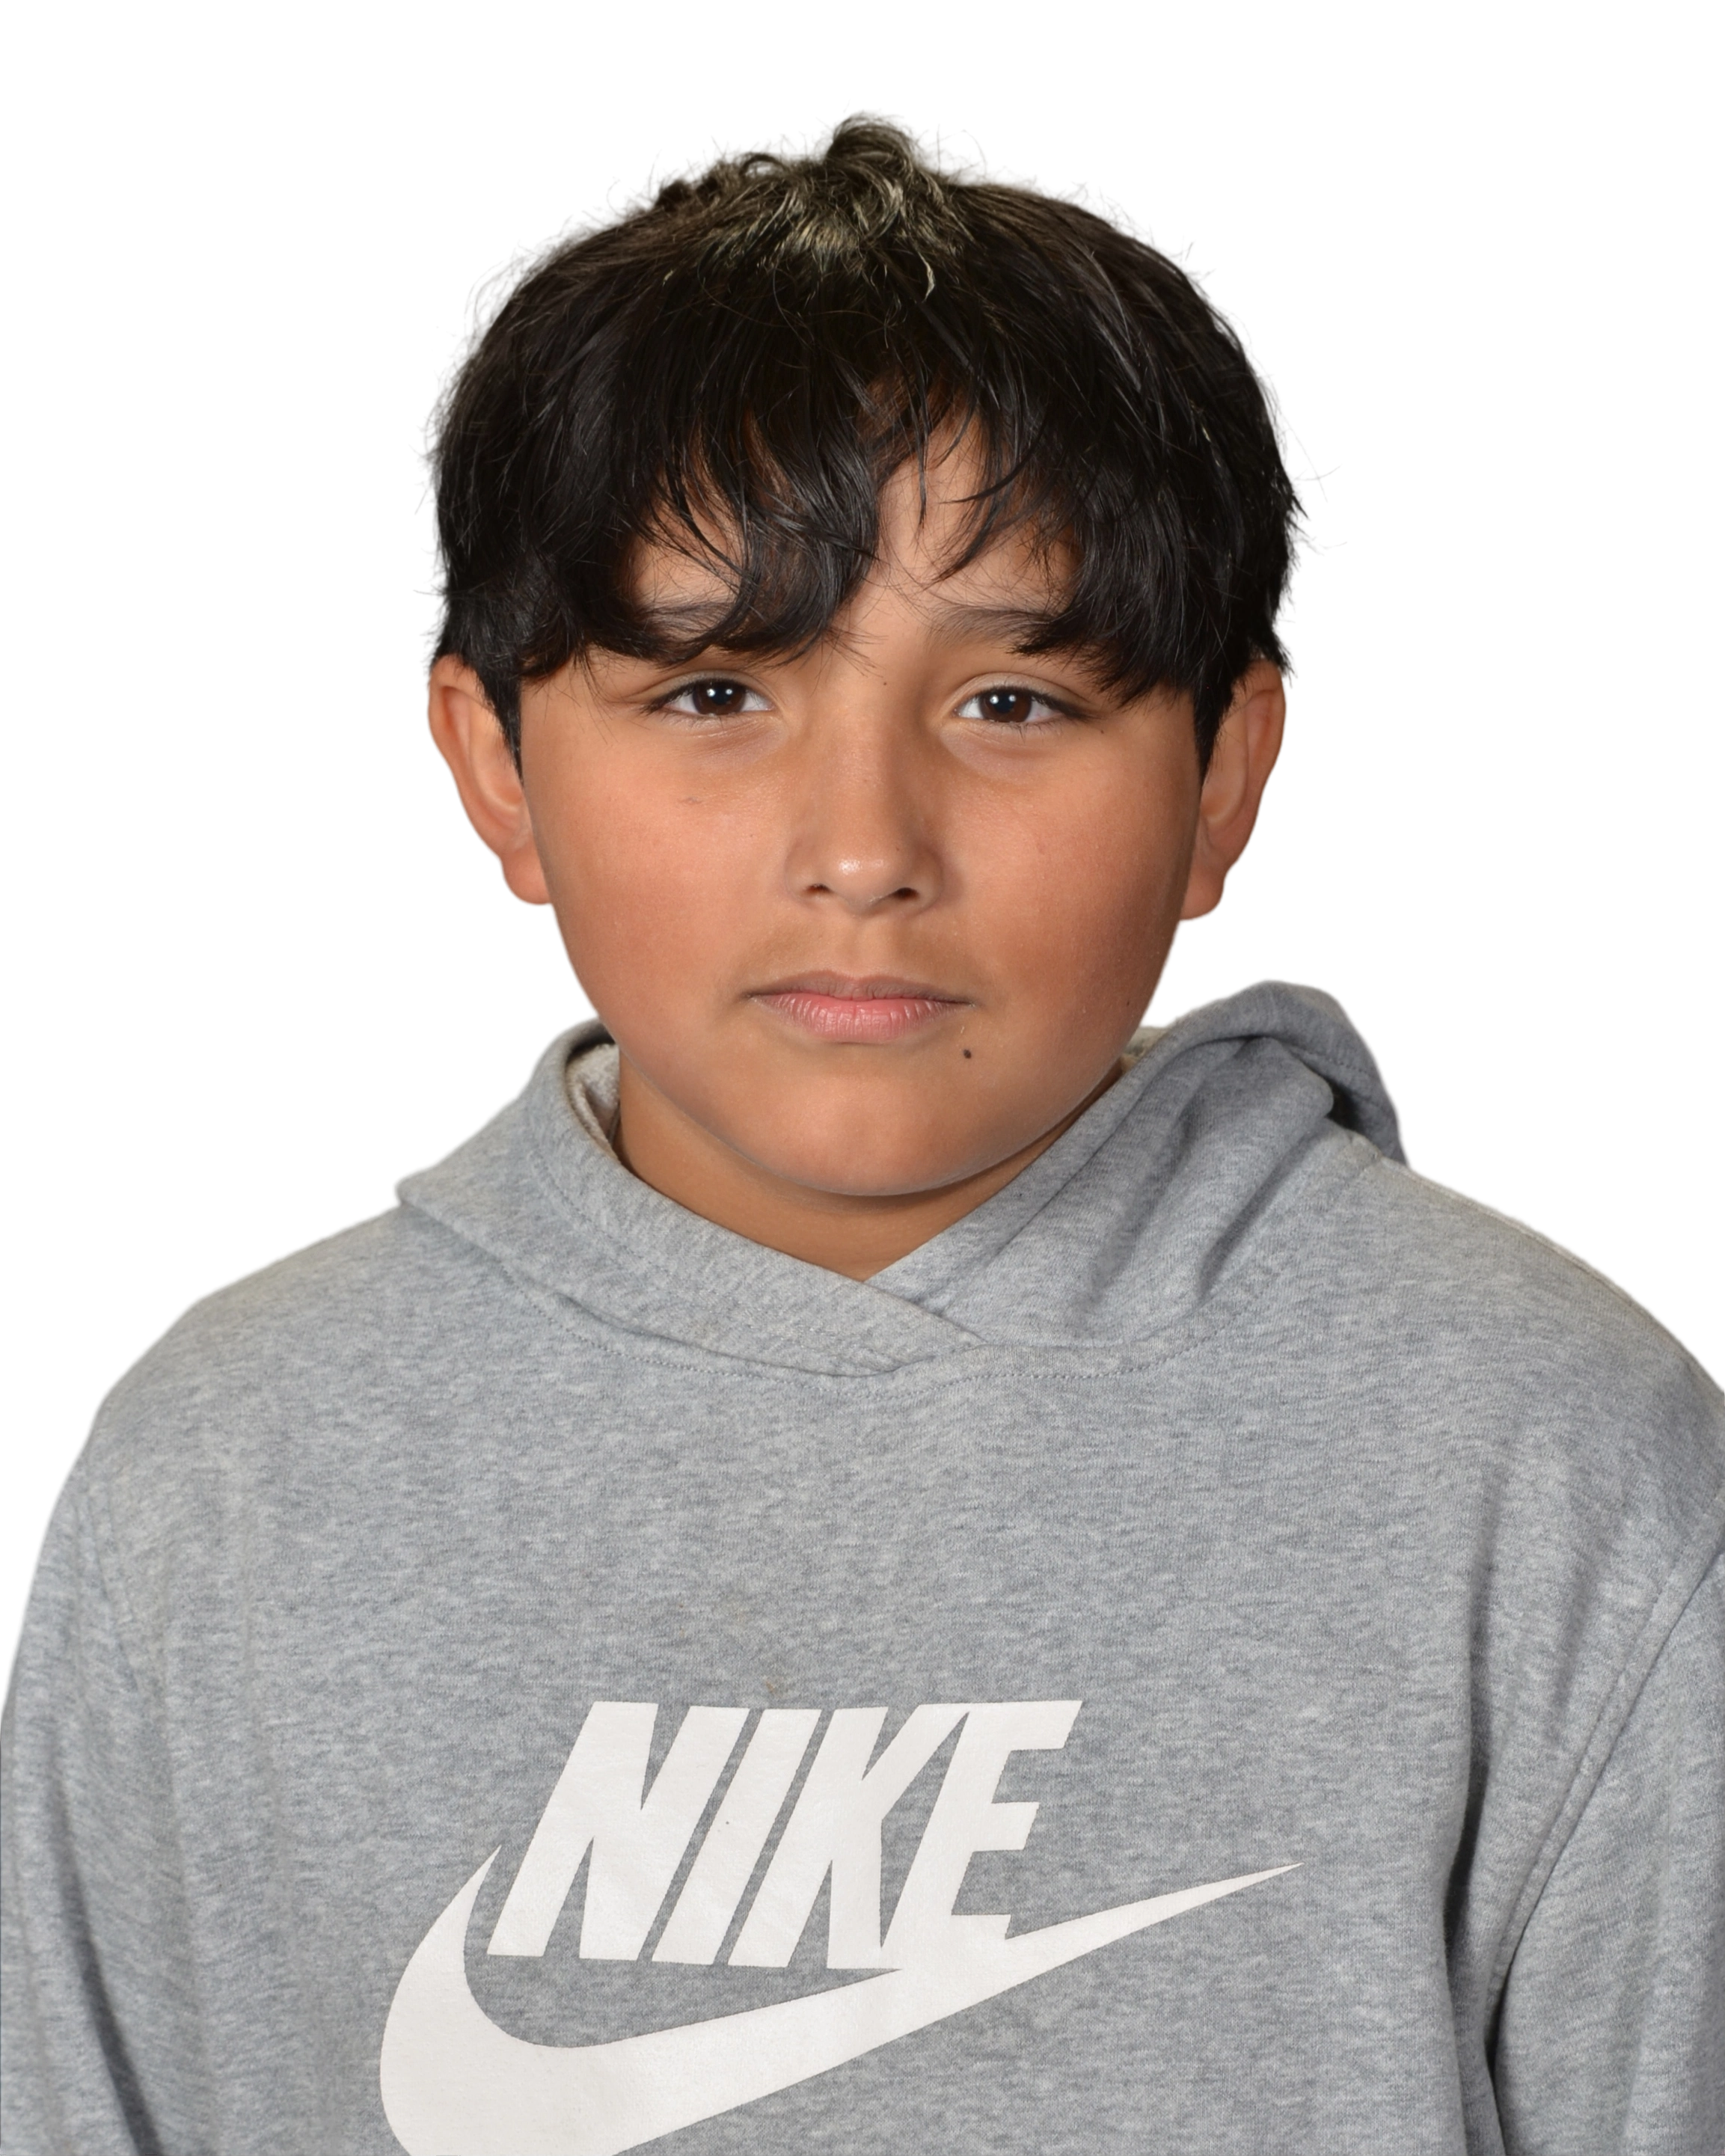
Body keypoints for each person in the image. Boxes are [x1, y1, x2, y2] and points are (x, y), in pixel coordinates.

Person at [3, 106, 1720, 2156]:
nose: (863, 848)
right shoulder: (220, 1472)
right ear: (497, 768)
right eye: (715, 693)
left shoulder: (1542, 1451)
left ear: (1226, 780)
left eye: (1015, 703)